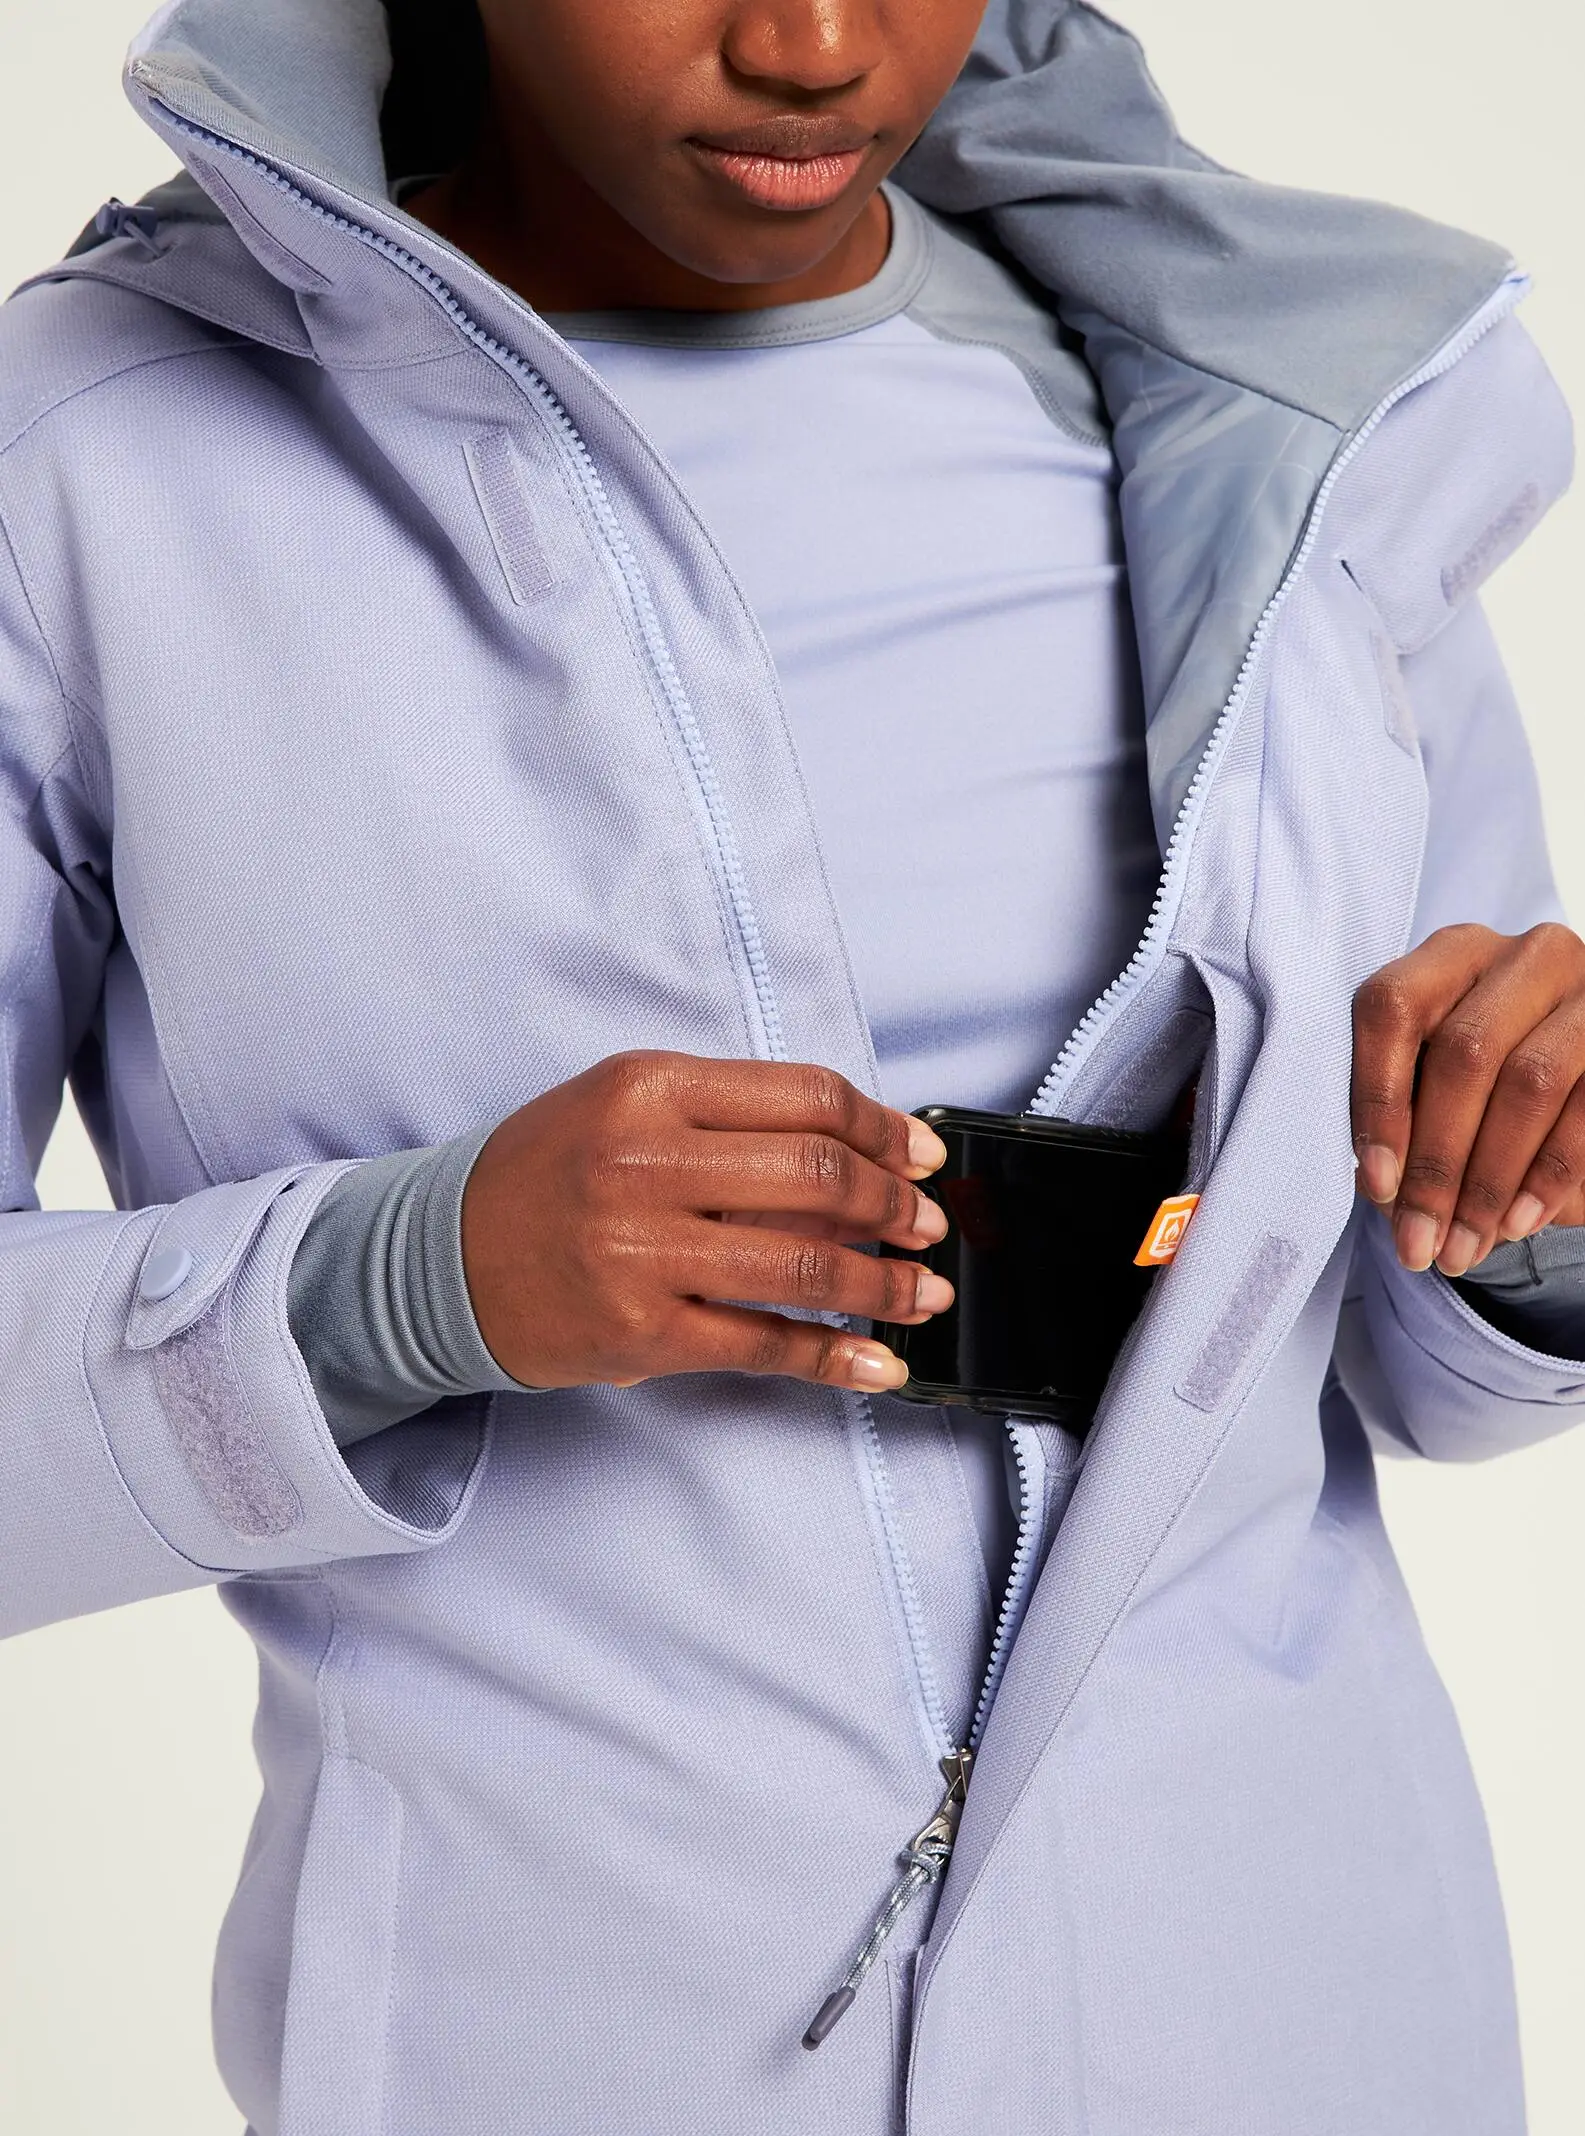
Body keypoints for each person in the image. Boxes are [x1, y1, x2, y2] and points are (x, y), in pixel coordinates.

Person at [1, 0, 1580, 2128]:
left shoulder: (1289, 436)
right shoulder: (82, 465)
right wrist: (399, 1283)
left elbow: (1439, 1354)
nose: (816, 46)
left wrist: (1542, 1200)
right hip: (562, 2052)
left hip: (1312, 2017)